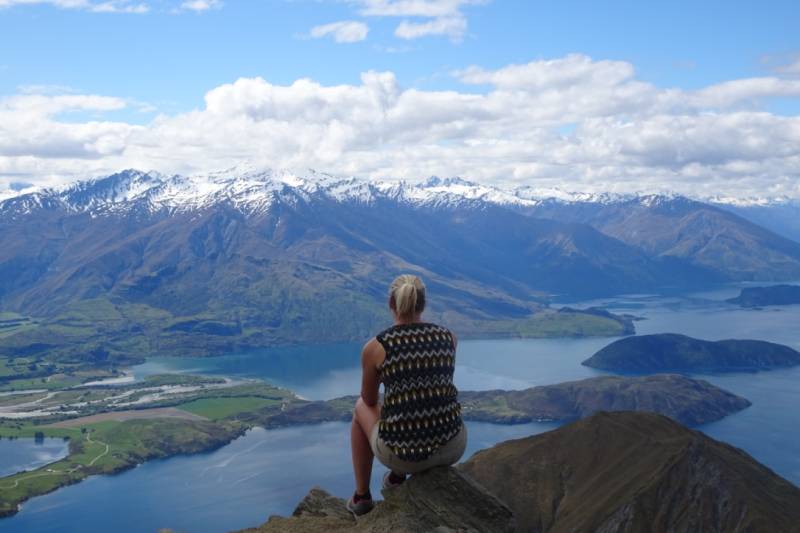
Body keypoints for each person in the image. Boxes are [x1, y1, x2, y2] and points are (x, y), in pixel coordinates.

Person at [347, 274, 466, 516]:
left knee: (361, 407)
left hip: (403, 456)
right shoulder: (448, 338)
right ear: (423, 304)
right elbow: (431, 394)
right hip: (452, 446)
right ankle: (396, 479)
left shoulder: (377, 347)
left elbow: (369, 400)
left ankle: (362, 496)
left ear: (392, 303)